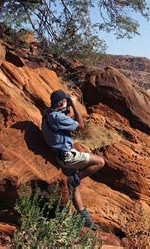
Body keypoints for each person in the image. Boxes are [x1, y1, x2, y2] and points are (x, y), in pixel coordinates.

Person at [41, 89, 105, 230]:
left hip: (60, 156)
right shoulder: (57, 117)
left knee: (75, 187)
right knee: (100, 162)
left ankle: (84, 218)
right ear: (62, 102)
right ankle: (75, 178)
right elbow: (80, 126)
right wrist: (75, 104)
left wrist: (64, 105)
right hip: (68, 157)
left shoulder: (48, 114)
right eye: (66, 101)